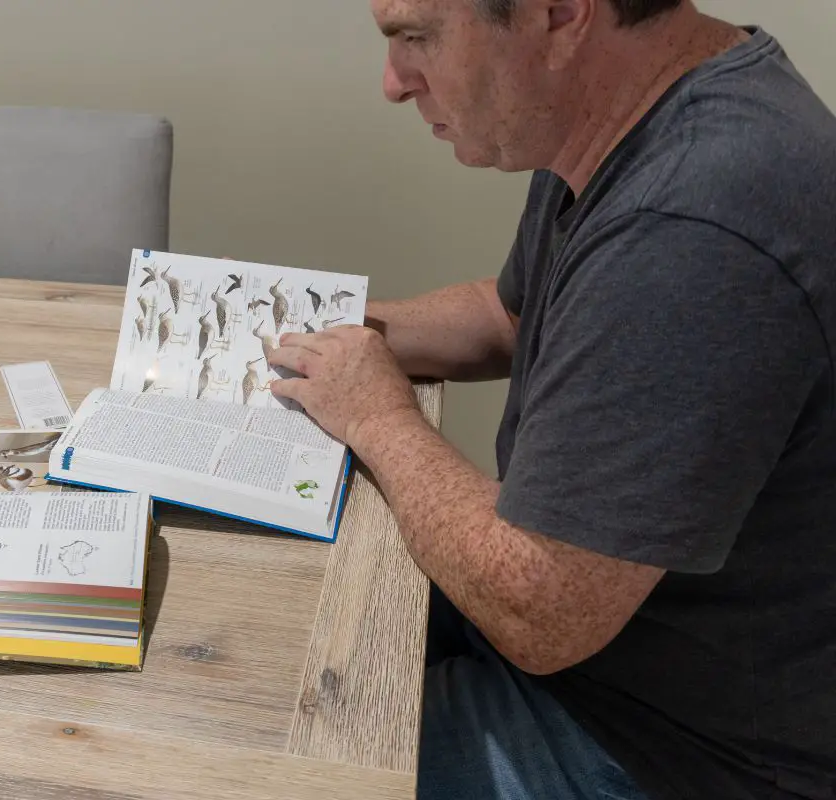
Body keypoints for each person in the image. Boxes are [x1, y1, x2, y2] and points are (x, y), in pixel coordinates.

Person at [266, 1, 836, 798]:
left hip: (667, 745)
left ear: (559, 15)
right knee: (271, 625)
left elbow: (541, 609)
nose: (395, 83)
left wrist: (374, 414)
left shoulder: (694, 227)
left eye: (416, 37)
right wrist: (324, 339)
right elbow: (512, 315)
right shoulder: (628, 117)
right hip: (601, 652)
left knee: (245, 755)